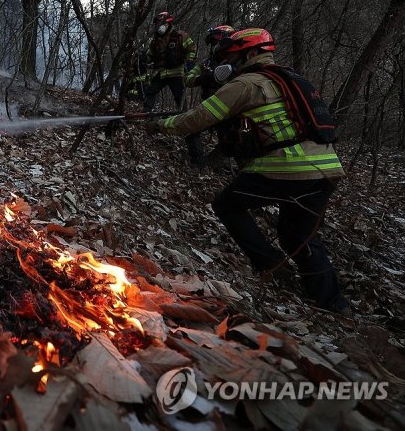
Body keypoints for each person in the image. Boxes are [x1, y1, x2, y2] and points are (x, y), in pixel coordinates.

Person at [144, 28, 350, 315]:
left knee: (226, 205)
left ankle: (268, 265)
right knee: (299, 237)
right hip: (325, 170)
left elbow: (200, 118)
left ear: (251, 54)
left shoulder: (246, 83)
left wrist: (160, 125)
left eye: (231, 57)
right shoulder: (290, 78)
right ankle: (332, 304)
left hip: (286, 167)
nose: (226, 63)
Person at [183, 25, 235, 168]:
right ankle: (200, 165)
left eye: (216, 42)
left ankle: (217, 164)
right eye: (212, 43)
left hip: (232, 111)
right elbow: (188, 79)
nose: (214, 46)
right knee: (192, 130)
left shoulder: (237, 62)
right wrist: (201, 78)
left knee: (232, 141)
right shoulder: (206, 63)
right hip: (210, 107)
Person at [137, 12, 196, 112]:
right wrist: (143, 58)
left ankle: (183, 114)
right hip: (160, 73)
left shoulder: (180, 36)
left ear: (167, 23)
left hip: (176, 73)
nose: (158, 26)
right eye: (156, 24)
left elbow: (191, 49)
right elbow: (150, 56)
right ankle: (146, 114)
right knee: (150, 92)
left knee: (179, 96)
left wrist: (190, 62)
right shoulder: (155, 40)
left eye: (160, 23)